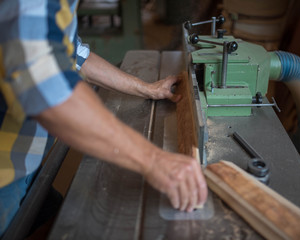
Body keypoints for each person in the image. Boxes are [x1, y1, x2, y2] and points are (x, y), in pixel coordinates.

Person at [0, 0, 208, 236]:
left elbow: (74, 54)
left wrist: (146, 88)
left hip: (29, 158)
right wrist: (153, 160)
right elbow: (45, 87)